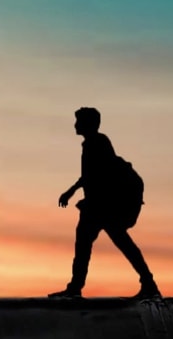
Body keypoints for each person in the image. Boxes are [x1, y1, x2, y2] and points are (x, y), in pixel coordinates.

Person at [48, 107, 161, 300]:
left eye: (79, 121)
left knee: (117, 243)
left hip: (102, 207)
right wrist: (72, 191)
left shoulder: (98, 143)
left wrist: (72, 191)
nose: (75, 125)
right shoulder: (91, 143)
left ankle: (148, 284)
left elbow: (98, 173)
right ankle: (76, 286)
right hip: (96, 205)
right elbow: (89, 175)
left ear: (88, 124)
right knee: (91, 243)